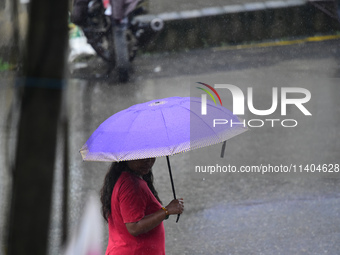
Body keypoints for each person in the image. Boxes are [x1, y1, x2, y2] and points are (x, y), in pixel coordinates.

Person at [100, 158, 184, 254]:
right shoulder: (131, 185)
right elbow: (134, 227)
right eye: (142, 157)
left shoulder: (127, 179)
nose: (148, 161)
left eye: (152, 156)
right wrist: (166, 211)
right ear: (128, 157)